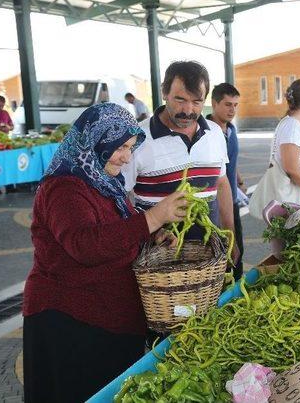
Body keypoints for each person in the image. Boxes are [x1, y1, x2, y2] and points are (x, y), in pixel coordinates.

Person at [23, 103, 188, 403]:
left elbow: (116, 232)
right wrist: (152, 219)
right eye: (120, 147)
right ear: (96, 140)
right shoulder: (65, 187)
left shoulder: (102, 181)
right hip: (70, 323)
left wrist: (152, 236)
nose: (127, 157)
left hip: (107, 319)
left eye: (130, 147)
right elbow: (84, 245)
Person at [122, 61, 239, 264]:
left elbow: (221, 184)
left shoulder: (214, 134)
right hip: (157, 260)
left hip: (209, 256)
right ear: (164, 93)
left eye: (196, 101)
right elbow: (120, 198)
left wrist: (230, 235)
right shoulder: (137, 139)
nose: (188, 110)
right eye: (180, 99)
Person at [207, 83, 245, 280]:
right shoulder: (205, 133)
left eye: (236, 105)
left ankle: (237, 291)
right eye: (228, 104)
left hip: (234, 200)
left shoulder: (231, 130)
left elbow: (228, 160)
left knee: (238, 251)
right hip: (215, 204)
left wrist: (237, 177)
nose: (233, 110)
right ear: (214, 103)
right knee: (224, 252)